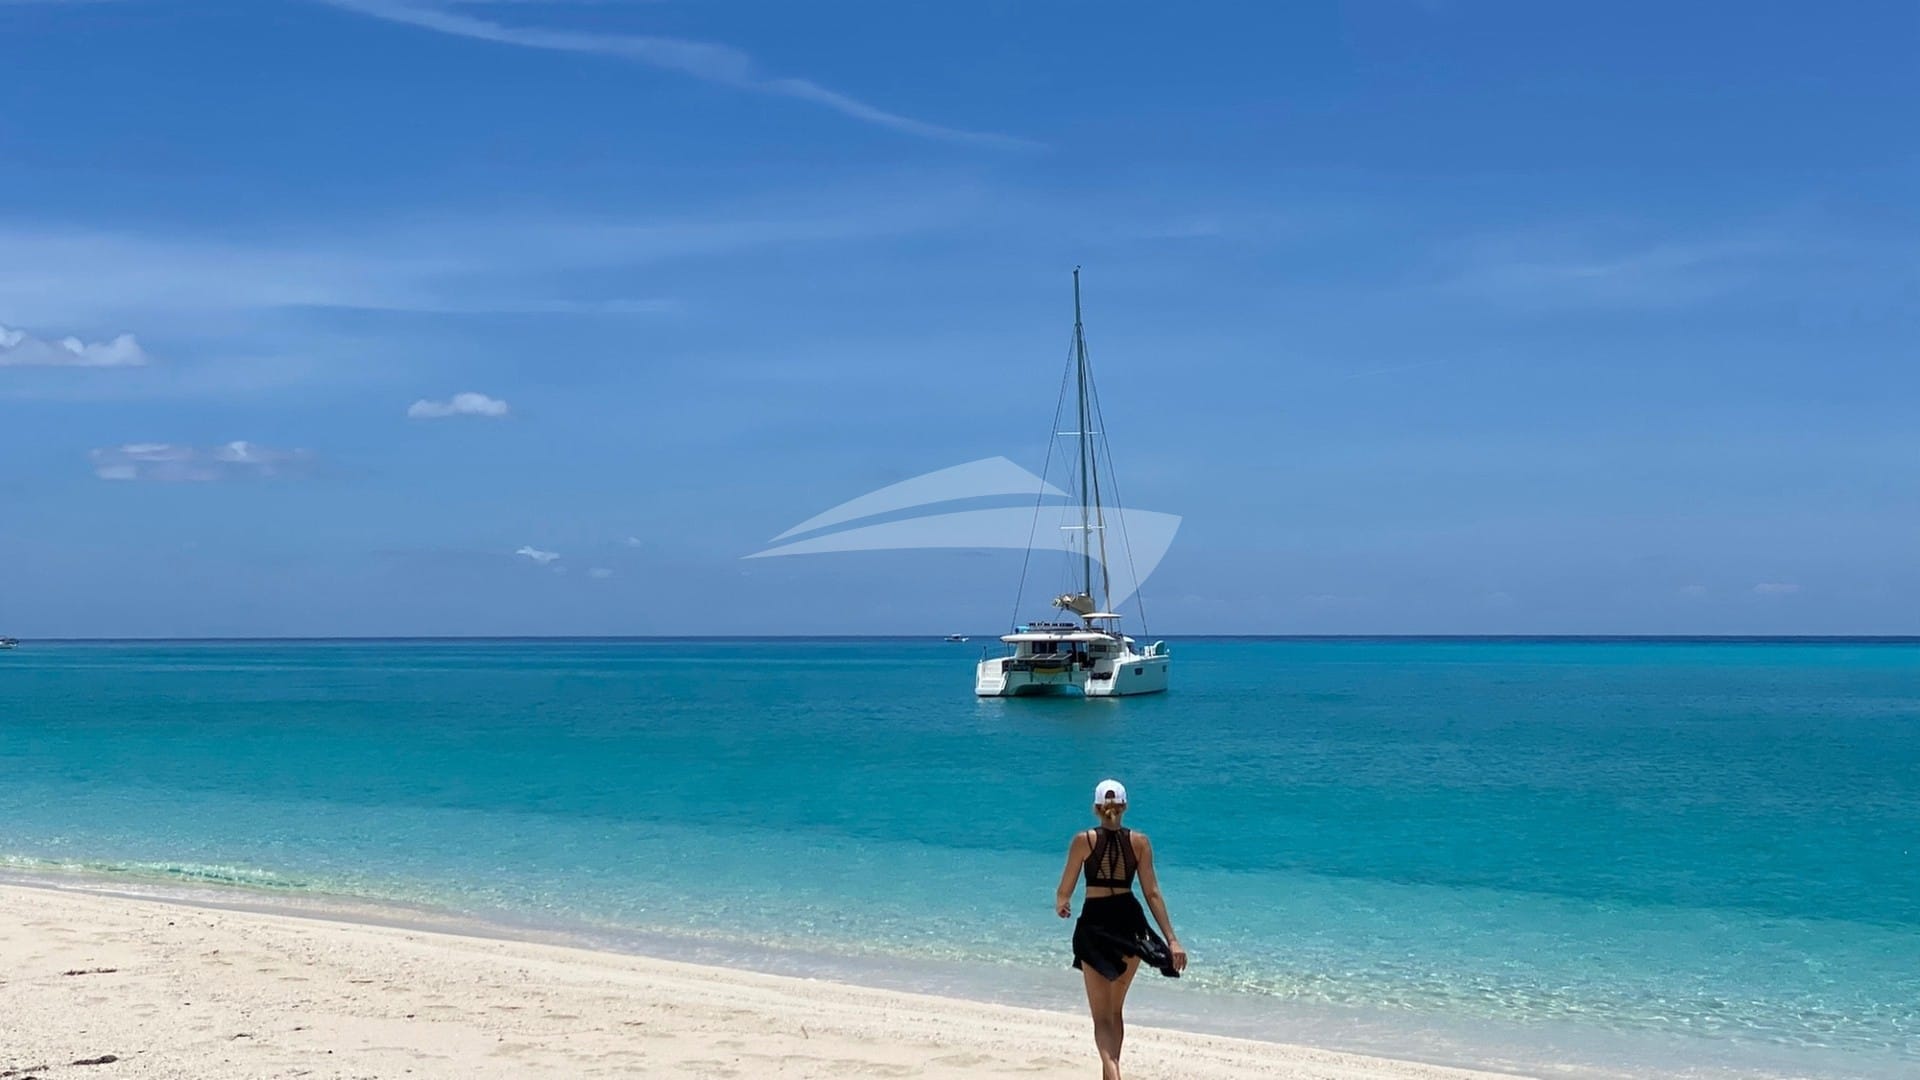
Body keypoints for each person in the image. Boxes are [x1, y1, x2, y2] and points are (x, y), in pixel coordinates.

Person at [1054, 778, 1186, 1080]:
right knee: (1115, 1012)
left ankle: (1113, 1073)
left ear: (1096, 808)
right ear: (1124, 806)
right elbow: (1152, 893)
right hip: (1130, 924)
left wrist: (1062, 904)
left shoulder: (1083, 840)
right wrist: (1172, 940)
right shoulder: (1139, 842)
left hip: (1096, 925)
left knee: (1101, 1017)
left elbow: (1066, 889)